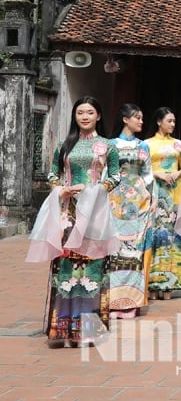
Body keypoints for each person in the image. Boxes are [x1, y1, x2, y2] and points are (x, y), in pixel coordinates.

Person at [26, 96, 121, 347]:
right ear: (75, 116)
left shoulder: (107, 145)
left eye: (90, 112)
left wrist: (98, 189)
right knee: (67, 266)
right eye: (80, 112)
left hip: (95, 214)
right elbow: (52, 173)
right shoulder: (64, 144)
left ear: (98, 116)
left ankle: (89, 329)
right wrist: (61, 190)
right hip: (68, 213)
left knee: (92, 267)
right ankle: (63, 328)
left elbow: (116, 175)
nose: (85, 117)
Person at [107, 104, 154, 318]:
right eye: (137, 117)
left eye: (142, 117)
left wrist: (152, 198)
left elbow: (148, 175)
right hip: (115, 202)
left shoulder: (143, 146)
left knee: (134, 252)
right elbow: (105, 173)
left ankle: (132, 302)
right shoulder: (110, 145)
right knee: (115, 251)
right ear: (125, 119)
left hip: (139, 204)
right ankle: (113, 299)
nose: (141, 121)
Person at [146, 107, 181, 299]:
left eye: (174, 121)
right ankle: (152, 283)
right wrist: (156, 173)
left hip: (172, 196)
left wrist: (176, 173)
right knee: (154, 235)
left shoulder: (178, 144)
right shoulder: (146, 144)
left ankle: (170, 283)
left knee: (171, 237)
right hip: (154, 194)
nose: (172, 124)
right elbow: (141, 170)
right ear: (158, 121)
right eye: (169, 121)